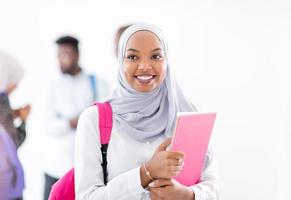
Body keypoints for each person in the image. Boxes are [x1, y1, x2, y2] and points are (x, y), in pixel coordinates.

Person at [74, 23, 219, 199]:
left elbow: (213, 186)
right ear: (121, 61)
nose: (144, 66)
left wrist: (188, 195)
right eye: (133, 57)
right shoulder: (94, 119)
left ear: (167, 61)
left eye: (156, 56)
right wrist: (146, 172)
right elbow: (86, 197)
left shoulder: (187, 113)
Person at [42, 36, 108, 200]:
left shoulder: (97, 83)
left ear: (77, 55)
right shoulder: (53, 87)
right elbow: (48, 125)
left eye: (66, 54)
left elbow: (104, 118)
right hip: (55, 167)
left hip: (86, 170)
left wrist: (75, 120)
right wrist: (76, 121)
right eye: (59, 55)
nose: (61, 60)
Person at [0, 50, 31, 200]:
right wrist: (24, 120)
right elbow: (14, 142)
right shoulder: (2, 99)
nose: (16, 86)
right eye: (14, 81)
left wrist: (13, 114)